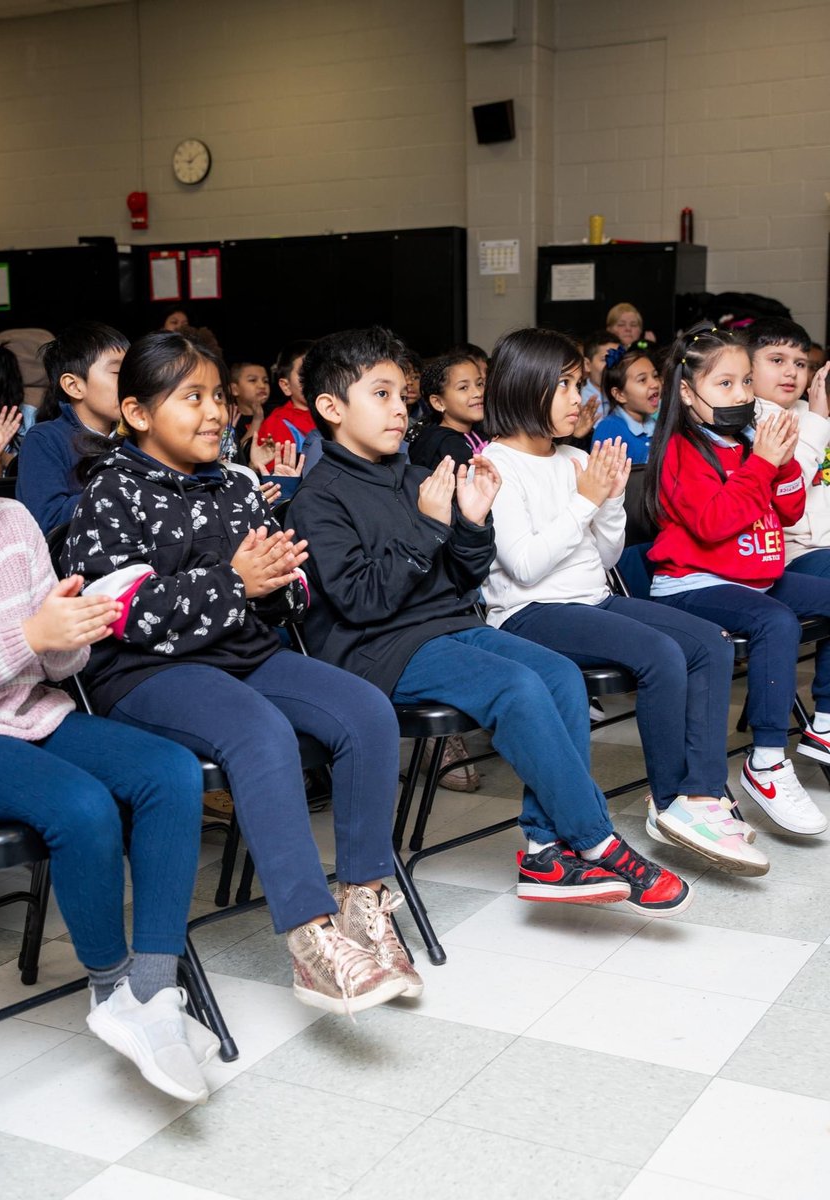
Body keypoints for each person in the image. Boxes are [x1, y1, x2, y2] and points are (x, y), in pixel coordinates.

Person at [0, 341, 216, 1106]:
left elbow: (52, 672)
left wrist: (72, 631)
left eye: (0, 413)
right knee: (81, 805)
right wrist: (29, 636)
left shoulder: (18, 517)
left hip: (28, 715)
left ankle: (154, 988)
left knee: (169, 772)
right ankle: (112, 993)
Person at [61, 330, 422, 1015]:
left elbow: (285, 596)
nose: (215, 413)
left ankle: (363, 904)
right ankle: (311, 940)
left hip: (242, 652)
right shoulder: (110, 494)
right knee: (260, 732)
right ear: (137, 413)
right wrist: (235, 582)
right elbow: (122, 616)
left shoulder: (235, 484)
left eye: (218, 396)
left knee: (367, 710)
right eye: (191, 397)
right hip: (146, 672)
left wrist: (284, 578)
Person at [289, 325, 691, 916]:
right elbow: (362, 602)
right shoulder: (318, 497)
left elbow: (456, 577)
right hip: (379, 648)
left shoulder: (408, 476)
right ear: (330, 407)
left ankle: (544, 847)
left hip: (445, 626)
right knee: (517, 685)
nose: (399, 409)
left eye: (402, 395)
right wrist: (431, 526)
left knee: (558, 675)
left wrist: (471, 524)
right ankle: (596, 838)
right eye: (381, 395)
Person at [481, 328, 764, 874]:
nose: (577, 399)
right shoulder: (496, 465)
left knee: (708, 641)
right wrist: (586, 501)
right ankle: (670, 800)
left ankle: (703, 794)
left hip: (591, 597)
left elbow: (606, 553)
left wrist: (608, 502)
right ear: (523, 387)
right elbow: (525, 565)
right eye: (563, 386)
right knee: (659, 652)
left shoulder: (570, 458)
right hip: (529, 614)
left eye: (578, 384)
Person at [644, 323, 830, 836]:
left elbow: (790, 509)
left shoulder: (750, 442)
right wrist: (762, 465)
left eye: (746, 382)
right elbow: (713, 523)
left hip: (755, 576)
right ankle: (767, 760)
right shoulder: (681, 449)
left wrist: (782, 457)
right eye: (724, 384)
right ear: (686, 391)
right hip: (694, 583)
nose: (741, 395)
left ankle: (826, 721)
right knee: (775, 622)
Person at [16, 322, 129, 533]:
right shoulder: (45, 440)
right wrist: (124, 489)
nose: (131, 383)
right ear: (74, 386)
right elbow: (47, 520)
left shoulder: (136, 437)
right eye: (118, 372)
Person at [742, 320, 830, 582]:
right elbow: (791, 493)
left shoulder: (811, 411)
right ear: (746, 368)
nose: (791, 372)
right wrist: (817, 419)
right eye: (777, 360)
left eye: (800, 364)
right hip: (794, 554)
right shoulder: (748, 421)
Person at [408, 352, 488, 470]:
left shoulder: (481, 432)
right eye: (463, 387)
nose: (478, 393)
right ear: (438, 403)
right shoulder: (443, 445)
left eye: (480, 384)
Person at [593, 343, 661, 464]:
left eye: (655, 376)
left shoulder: (656, 425)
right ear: (620, 395)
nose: (655, 384)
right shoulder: (610, 430)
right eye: (642, 380)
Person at [257, 340, 316, 467]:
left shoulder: (338, 412)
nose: (315, 378)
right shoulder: (278, 423)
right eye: (304, 373)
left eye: (319, 370)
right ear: (286, 386)